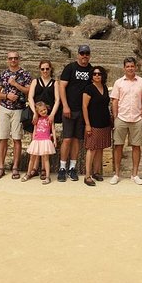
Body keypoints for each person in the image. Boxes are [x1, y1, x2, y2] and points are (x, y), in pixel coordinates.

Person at [110, 57, 142, 185]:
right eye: (128, 66)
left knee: (136, 146)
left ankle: (135, 174)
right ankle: (116, 174)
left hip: (136, 118)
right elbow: (115, 100)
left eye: (132, 66)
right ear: (124, 68)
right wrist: (116, 116)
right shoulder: (118, 83)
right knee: (118, 146)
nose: (130, 68)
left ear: (136, 67)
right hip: (121, 118)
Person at [0, 51, 31, 180]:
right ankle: (1, 167)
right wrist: (6, 96)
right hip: (5, 108)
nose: (13, 60)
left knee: (17, 138)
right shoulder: (3, 74)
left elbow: (28, 90)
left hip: (19, 109)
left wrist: (15, 84)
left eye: (15, 58)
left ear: (19, 59)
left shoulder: (25, 74)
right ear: (7, 60)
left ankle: (15, 167)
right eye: (11, 58)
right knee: (2, 138)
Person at [58, 45, 93, 182]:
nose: (84, 56)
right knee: (67, 139)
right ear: (78, 54)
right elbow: (62, 86)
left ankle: (72, 168)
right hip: (69, 109)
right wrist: (65, 105)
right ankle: (62, 167)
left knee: (77, 140)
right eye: (82, 53)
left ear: (89, 55)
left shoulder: (91, 70)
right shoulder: (70, 68)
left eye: (87, 53)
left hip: (82, 111)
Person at [27, 60, 61, 180]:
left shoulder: (55, 83)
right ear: (39, 69)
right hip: (36, 115)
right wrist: (34, 112)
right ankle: (34, 169)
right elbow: (30, 97)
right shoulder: (35, 81)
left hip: (48, 115)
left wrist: (52, 114)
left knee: (45, 142)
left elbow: (57, 99)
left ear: (50, 69)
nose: (45, 71)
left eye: (47, 69)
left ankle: (42, 169)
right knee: (36, 142)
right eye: (43, 69)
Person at [82, 66, 112, 186]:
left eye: (99, 74)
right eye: (94, 74)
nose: (97, 76)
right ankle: (87, 175)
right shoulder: (88, 89)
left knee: (100, 148)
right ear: (91, 76)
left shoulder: (104, 87)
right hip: (93, 123)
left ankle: (96, 172)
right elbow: (84, 107)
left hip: (104, 123)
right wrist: (87, 124)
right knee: (92, 148)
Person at [21, 102, 56, 185]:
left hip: (45, 140)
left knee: (46, 159)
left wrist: (54, 140)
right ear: (37, 112)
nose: (43, 111)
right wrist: (33, 140)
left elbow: (53, 129)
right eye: (41, 111)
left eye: (44, 109)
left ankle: (47, 176)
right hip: (37, 140)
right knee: (32, 158)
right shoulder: (37, 120)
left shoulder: (49, 119)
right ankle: (28, 173)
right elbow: (34, 130)